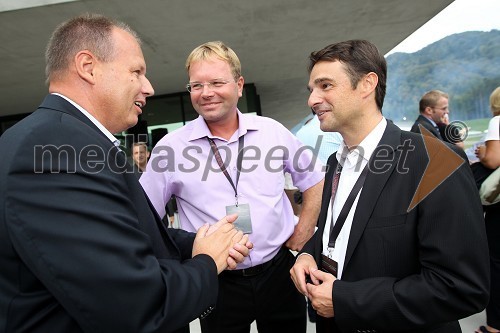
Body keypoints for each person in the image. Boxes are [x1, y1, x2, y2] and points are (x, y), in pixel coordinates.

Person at [0, 14, 252, 333]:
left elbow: (130, 230)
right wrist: (207, 262)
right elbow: (137, 307)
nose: (148, 87)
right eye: (137, 71)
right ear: (88, 67)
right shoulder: (55, 150)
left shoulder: (74, 141)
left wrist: (199, 242)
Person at [290, 39, 489, 333]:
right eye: (312, 90)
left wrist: (346, 299)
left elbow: (461, 287)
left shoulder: (436, 161)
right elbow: (341, 232)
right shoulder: (334, 162)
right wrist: (309, 252)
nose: (312, 100)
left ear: (368, 84)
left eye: (325, 85)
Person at [140, 41, 324, 333]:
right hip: (217, 281)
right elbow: (144, 216)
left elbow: (315, 179)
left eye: (216, 82)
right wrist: (178, 263)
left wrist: (304, 229)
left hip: (278, 272)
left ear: (239, 85)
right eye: (196, 85)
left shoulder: (272, 132)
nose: (207, 92)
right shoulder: (170, 149)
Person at [475, 86, 500, 333]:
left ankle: (494, 325)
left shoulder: (497, 121)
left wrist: (482, 151)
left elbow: (493, 160)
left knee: (496, 262)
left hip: (498, 204)